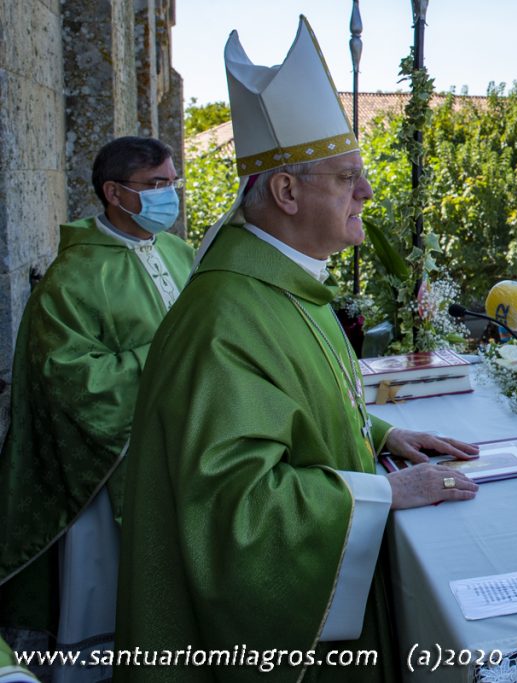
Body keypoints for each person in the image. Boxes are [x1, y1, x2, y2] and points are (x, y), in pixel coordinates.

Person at [113, 19, 480, 681]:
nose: (366, 191)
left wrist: (380, 432)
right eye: (346, 177)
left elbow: (291, 406)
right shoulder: (226, 320)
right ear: (285, 192)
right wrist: (387, 495)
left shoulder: (279, 285)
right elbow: (238, 515)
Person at [0, 137, 194, 670]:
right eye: (156, 186)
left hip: (188, 446)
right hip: (112, 467)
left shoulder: (178, 253)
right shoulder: (72, 278)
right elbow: (71, 380)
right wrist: (170, 356)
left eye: (172, 182)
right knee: (112, 596)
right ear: (114, 192)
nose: (169, 195)